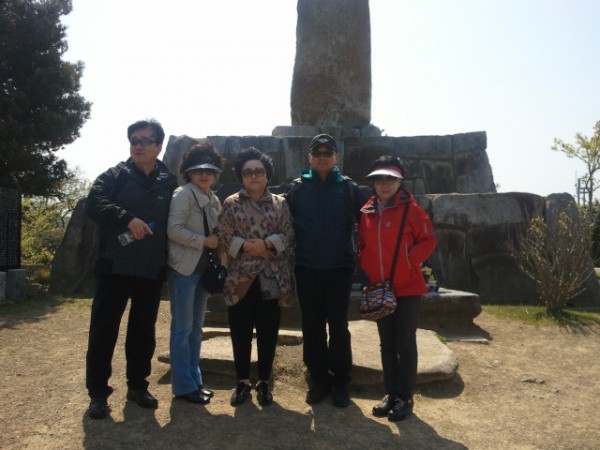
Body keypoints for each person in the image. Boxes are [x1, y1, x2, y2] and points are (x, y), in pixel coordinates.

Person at [85, 119, 178, 419]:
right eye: (134, 140)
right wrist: (126, 218)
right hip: (115, 266)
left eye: (145, 141)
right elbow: (94, 203)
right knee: (103, 331)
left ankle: (138, 385)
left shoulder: (170, 182)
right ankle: (98, 393)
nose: (138, 146)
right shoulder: (114, 175)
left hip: (151, 268)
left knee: (143, 332)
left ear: (158, 146)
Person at [286, 133, 365, 408]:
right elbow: (278, 219)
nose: (322, 157)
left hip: (339, 268)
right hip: (306, 266)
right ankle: (318, 377)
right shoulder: (296, 188)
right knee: (312, 324)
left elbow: (370, 219)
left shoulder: (349, 188)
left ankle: (341, 379)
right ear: (309, 157)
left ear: (335, 157)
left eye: (327, 153)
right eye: (317, 153)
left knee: (339, 325)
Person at [358, 155, 437, 421]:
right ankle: (391, 394)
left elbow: (428, 240)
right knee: (387, 344)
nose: (384, 184)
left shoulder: (411, 209)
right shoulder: (367, 211)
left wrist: (409, 261)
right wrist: (366, 265)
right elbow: (363, 245)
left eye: (390, 179)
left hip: (408, 288)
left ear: (400, 181)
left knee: (405, 343)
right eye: (379, 179)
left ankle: (405, 397)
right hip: (380, 288)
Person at [218, 147, 295, 407]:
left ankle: (264, 381)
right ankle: (242, 381)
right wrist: (247, 246)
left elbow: (288, 233)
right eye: (247, 172)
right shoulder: (231, 203)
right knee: (240, 330)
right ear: (241, 176)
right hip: (240, 277)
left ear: (267, 174)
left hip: (272, 275)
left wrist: (267, 244)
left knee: (267, 331)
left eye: (258, 171)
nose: (253, 175)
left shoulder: (280, 203)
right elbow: (223, 234)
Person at [166, 141, 223, 404]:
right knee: (183, 328)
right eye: (198, 170)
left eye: (209, 170)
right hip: (184, 269)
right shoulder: (183, 194)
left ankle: (194, 380)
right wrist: (204, 241)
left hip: (202, 271)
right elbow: (173, 229)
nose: (204, 174)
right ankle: (183, 385)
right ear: (188, 172)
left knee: (196, 328)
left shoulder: (213, 198)